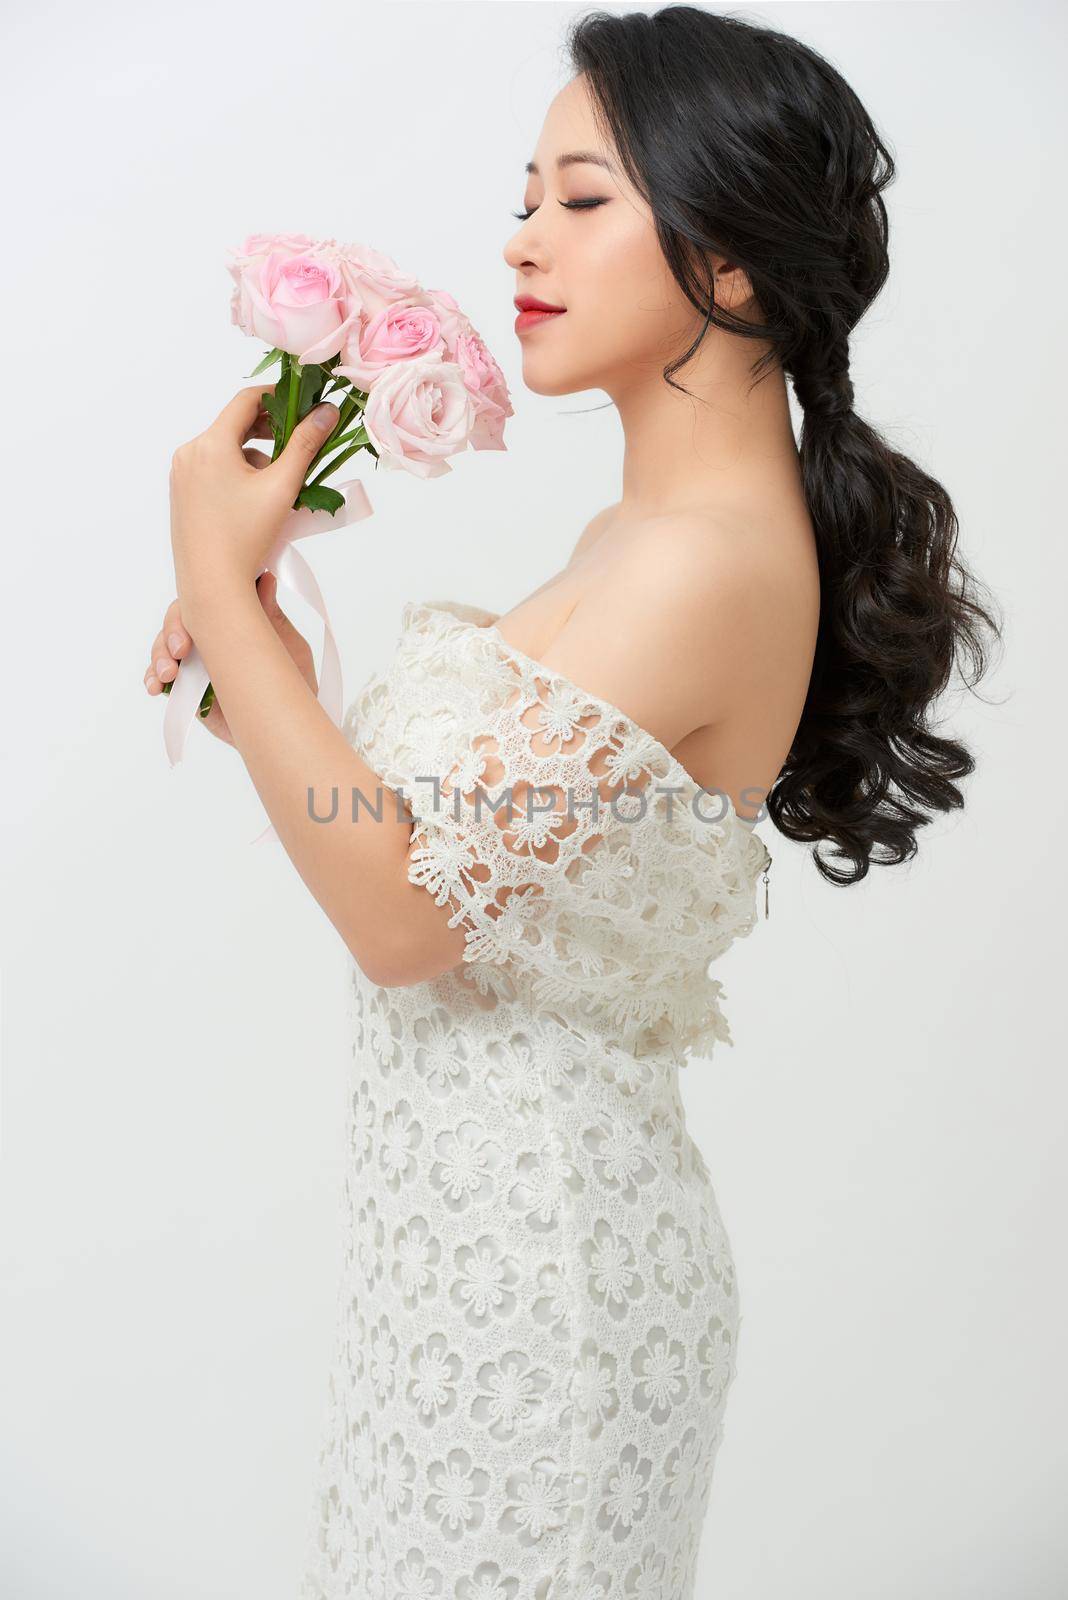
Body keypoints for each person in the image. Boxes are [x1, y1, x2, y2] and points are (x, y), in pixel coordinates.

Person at [145, 8, 1000, 1597]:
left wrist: (209, 566)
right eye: (526, 192)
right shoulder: (648, 535)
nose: (523, 236)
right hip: (467, 1265)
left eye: (583, 196)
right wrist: (258, 637)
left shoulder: (701, 560)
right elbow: (415, 863)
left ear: (734, 264)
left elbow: (399, 916)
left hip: (543, 1291)